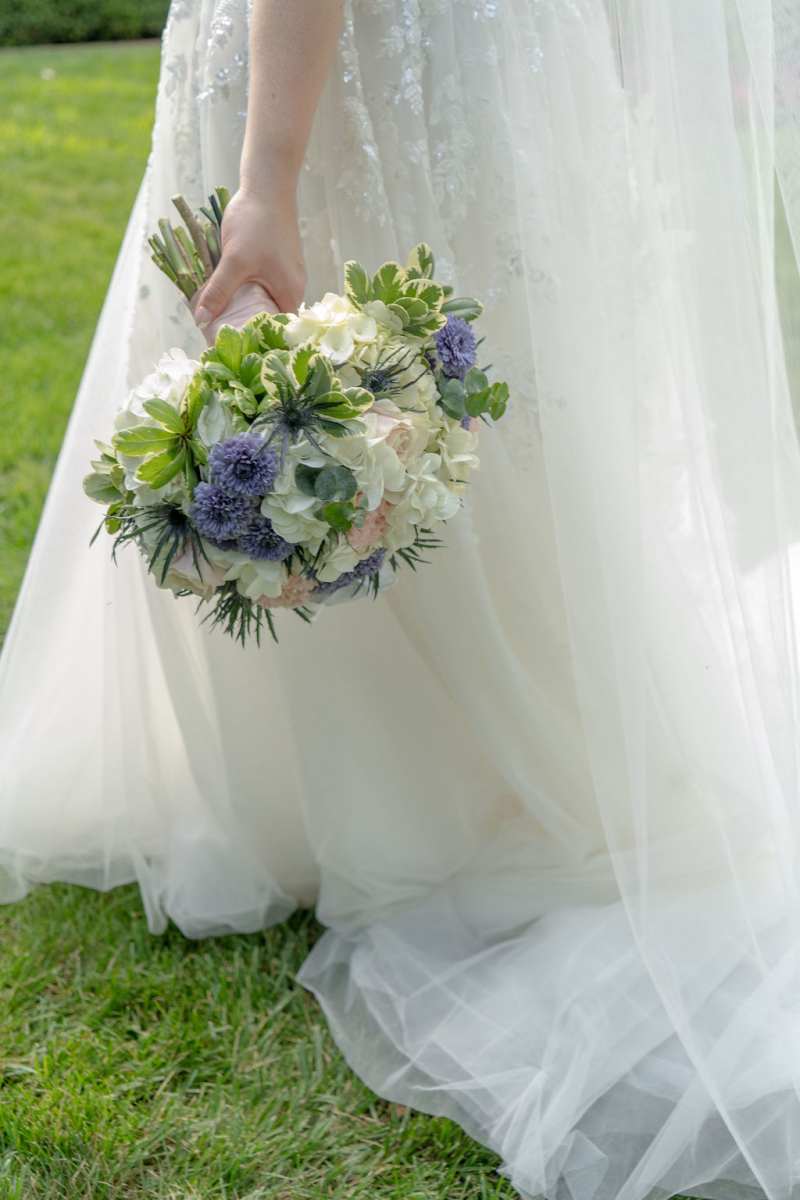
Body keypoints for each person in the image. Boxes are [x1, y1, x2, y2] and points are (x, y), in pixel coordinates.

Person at [2, 2, 800, 1197]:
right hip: (465, 54)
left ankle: (382, 797)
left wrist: (268, 175)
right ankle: (368, 782)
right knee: (460, 415)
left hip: (342, 72)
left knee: (386, 382)